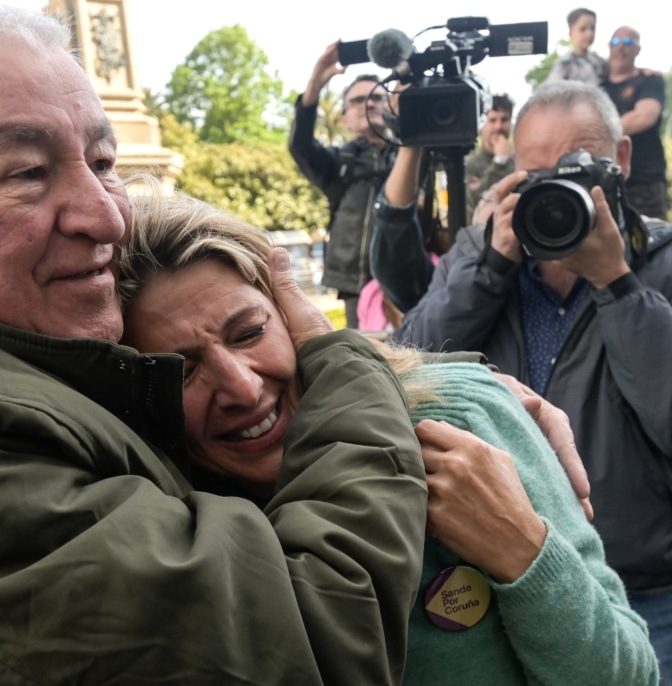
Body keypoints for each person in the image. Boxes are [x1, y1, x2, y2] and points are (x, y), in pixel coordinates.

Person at [0, 5, 432, 684]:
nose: (104, 214)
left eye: (103, 160)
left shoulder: (13, 361)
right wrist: (354, 376)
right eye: (26, 172)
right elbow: (314, 635)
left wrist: (446, 391)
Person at [117, 178, 658, 685]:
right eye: (181, 369)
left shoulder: (462, 418)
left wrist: (525, 553)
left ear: (292, 314)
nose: (240, 385)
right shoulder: (167, 531)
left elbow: (630, 674)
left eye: (250, 332)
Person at [375, 79, 672, 684]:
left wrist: (616, 283)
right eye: (539, 175)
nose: (558, 191)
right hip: (506, 579)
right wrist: (490, 267)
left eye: (577, 167)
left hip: (652, 587)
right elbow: (409, 369)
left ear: (621, 160)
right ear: (512, 173)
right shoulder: (481, 255)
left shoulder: (662, 261)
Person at [289, 40, 397, 328]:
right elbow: (301, 146)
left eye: (376, 98)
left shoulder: (411, 156)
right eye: (357, 101)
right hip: (356, 284)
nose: (368, 104)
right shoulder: (337, 162)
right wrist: (315, 84)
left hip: (405, 282)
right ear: (345, 118)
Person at [603, 26, 668, 219]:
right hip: (605, 181)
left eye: (629, 42)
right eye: (616, 42)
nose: (621, 47)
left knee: (652, 242)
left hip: (644, 182)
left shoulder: (649, 81)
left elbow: (645, 117)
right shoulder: (597, 84)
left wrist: (599, 132)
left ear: (638, 49)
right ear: (609, 47)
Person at [464, 94, 516, 224]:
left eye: (504, 120)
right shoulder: (471, 165)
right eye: (492, 120)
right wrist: (500, 161)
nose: (498, 127)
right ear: (482, 125)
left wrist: (483, 181)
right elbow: (475, 200)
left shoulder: (520, 160)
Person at [546, 8, 607, 86]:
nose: (589, 33)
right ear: (571, 34)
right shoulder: (565, 63)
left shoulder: (600, 63)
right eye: (583, 29)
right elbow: (552, 89)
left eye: (592, 28)